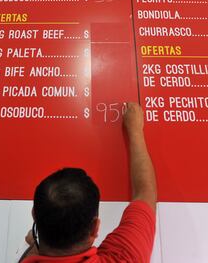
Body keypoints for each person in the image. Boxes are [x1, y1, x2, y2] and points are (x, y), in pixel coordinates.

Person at [19, 102, 157, 262]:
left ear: (34, 215)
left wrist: (34, 248)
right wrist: (135, 130)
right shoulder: (125, 258)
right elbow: (145, 194)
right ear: (95, 228)